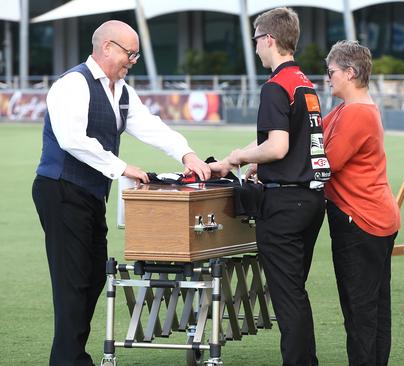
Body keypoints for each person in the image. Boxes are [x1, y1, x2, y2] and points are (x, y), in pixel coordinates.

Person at [32, 20, 215, 366]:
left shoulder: (122, 91)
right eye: (129, 53)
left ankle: (68, 357)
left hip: (88, 195)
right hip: (60, 190)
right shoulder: (72, 84)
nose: (132, 60)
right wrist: (122, 167)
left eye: (136, 55)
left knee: (93, 277)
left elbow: (150, 126)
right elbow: (72, 139)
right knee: (73, 283)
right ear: (107, 48)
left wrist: (186, 153)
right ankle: (69, 360)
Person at [211, 7, 330, 366]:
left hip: (284, 205)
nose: (257, 48)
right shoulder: (305, 83)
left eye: (256, 40)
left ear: (269, 40)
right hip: (311, 200)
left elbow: (276, 146)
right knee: (295, 291)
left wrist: (238, 158)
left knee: (288, 296)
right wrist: (246, 156)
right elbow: (288, 142)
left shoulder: (276, 86)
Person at [322, 40, 400, 366]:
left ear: (350, 73)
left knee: (361, 313)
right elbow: (308, 139)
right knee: (373, 309)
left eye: (332, 73)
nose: (328, 79)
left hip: (361, 222)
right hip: (374, 218)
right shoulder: (348, 109)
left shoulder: (356, 113)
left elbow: (325, 163)